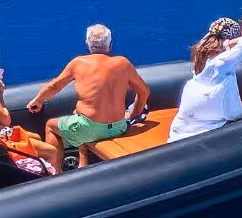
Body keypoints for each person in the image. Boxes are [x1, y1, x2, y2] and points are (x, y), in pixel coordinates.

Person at [24, 25, 151, 167]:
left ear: (87, 44)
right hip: (118, 127)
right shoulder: (123, 63)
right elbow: (144, 91)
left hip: (89, 128)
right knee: (79, 118)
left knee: (50, 125)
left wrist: (38, 100)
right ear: (110, 44)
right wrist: (133, 115)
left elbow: (54, 86)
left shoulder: (78, 63)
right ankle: (83, 166)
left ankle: (55, 173)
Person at [0, 46, 62, 174]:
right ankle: (54, 182)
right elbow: (5, 120)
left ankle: (38, 172)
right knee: (52, 151)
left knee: (36, 136)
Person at [167, 18, 242, 142]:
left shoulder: (201, 59)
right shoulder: (221, 63)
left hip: (181, 130)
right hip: (207, 126)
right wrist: (227, 44)